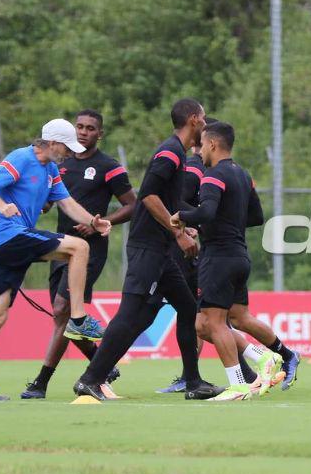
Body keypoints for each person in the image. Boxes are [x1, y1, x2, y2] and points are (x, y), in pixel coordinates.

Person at [72, 98, 221, 401]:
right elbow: (149, 197)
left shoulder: (177, 152)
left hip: (161, 249)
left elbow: (170, 201)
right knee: (131, 315)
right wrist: (178, 233)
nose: (205, 125)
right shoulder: (169, 153)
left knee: (187, 307)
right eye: (203, 119)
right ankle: (90, 378)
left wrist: (196, 221)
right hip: (148, 247)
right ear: (193, 119)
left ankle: (192, 382)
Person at [0, 120, 111, 401]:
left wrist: (93, 220)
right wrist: (0, 205)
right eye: (67, 147)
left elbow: (67, 204)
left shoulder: (51, 170)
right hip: (10, 236)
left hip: (4, 246)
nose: (70, 153)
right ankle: (78, 319)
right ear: (52, 143)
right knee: (78, 248)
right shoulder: (21, 157)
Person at [21, 110, 136, 400]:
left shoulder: (109, 166)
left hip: (90, 252)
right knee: (65, 317)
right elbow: (51, 199)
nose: (84, 132)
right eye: (80, 127)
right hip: (60, 248)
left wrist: (102, 223)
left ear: (100, 134)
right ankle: (102, 365)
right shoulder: (61, 164)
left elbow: (133, 205)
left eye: (90, 128)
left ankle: (41, 382)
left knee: (63, 310)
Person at [170, 121, 287, 401]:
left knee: (214, 323)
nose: (199, 151)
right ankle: (262, 358)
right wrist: (228, 221)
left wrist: (180, 215)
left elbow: (206, 212)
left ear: (211, 144)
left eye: (201, 145)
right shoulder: (243, 174)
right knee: (202, 324)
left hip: (218, 257)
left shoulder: (212, 176)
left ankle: (238, 385)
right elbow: (256, 217)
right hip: (238, 256)